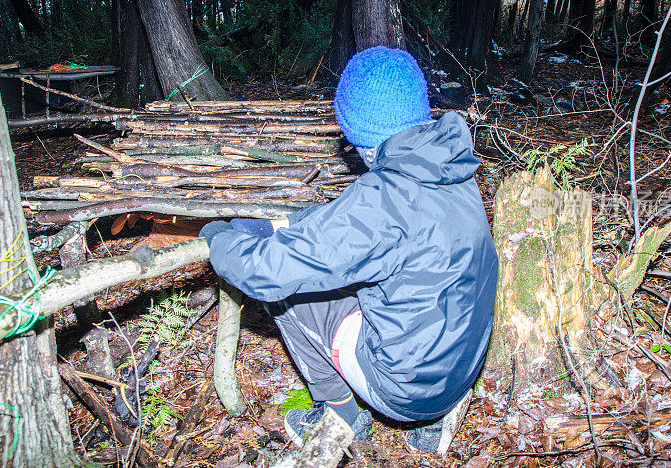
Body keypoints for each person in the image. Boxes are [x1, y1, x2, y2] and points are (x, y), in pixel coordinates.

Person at [199, 46, 498, 454]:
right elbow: (351, 224)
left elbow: (267, 272)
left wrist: (220, 238)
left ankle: (343, 415)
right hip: (460, 367)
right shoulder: (450, 168)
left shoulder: (383, 199)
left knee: (293, 294)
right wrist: (282, 224)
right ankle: (433, 426)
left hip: (405, 388)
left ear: (357, 127)